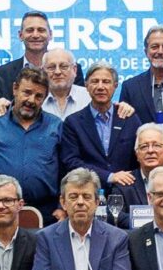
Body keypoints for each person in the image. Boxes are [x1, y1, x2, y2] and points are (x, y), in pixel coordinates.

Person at [0, 67, 63, 217]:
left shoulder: (56, 125)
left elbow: (65, 169)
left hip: (47, 212)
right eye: (27, 92)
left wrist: (61, 207)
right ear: (15, 89)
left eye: (38, 96)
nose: (31, 100)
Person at [60, 62, 141, 202]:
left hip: (128, 193)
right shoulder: (73, 122)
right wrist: (109, 176)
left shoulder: (129, 118)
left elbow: (141, 152)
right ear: (86, 85)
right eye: (95, 81)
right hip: (87, 195)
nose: (100, 87)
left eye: (106, 82)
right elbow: (71, 161)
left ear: (115, 85)